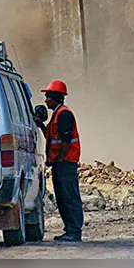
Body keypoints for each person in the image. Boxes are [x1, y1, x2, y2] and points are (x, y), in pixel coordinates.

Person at [39, 79, 83, 242]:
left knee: (69, 197)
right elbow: (53, 139)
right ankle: (70, 230)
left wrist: (61, 158)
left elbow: (66, 140)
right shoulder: (57, 115)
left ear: (56, 97)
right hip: (60, 163)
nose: (46, 100)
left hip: (65, 164)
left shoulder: (64, 114)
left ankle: (74, 232)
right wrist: (41, 126)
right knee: (63, 198)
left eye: (48, 96)